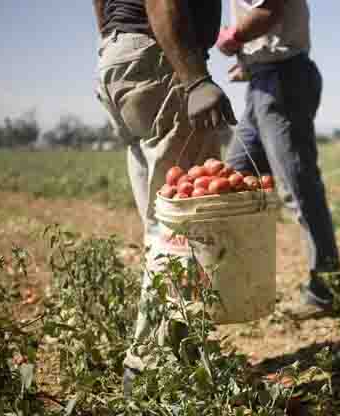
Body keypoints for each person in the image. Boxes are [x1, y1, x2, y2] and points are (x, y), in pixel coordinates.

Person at [92, 0, 236, 398]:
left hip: (121, 58)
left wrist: (115, 40)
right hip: (159, 59)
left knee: (164, 226)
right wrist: (194, 79)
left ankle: (179, 356)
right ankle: (151, 370)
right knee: (183, 228)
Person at [215, 0, 340, 309]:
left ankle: (327, 290)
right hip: (265, 79)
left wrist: (232, 38)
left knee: (297, 187)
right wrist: (251, 62)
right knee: (235, 178)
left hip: (283, 79)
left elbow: (268, 10)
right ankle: (236, 283)